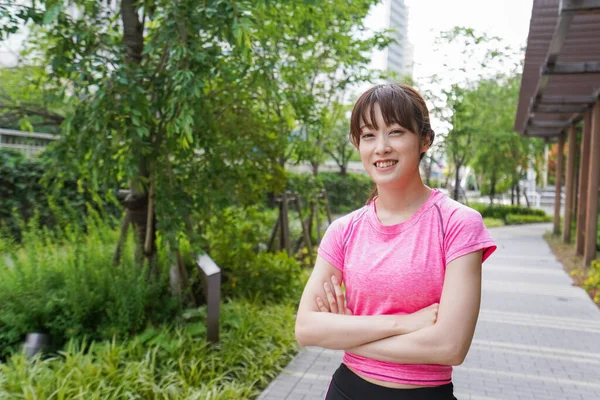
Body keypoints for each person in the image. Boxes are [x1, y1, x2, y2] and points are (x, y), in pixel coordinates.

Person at [294, 83, 497, 400]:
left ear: (425, 140)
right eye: (368, 135)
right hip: (346, 390)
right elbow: (306, 328)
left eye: (396, 132)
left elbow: (450, 346)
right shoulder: (344, 230)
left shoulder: (458, 224)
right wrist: (406, 323)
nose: (381, 147)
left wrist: (345, 333)